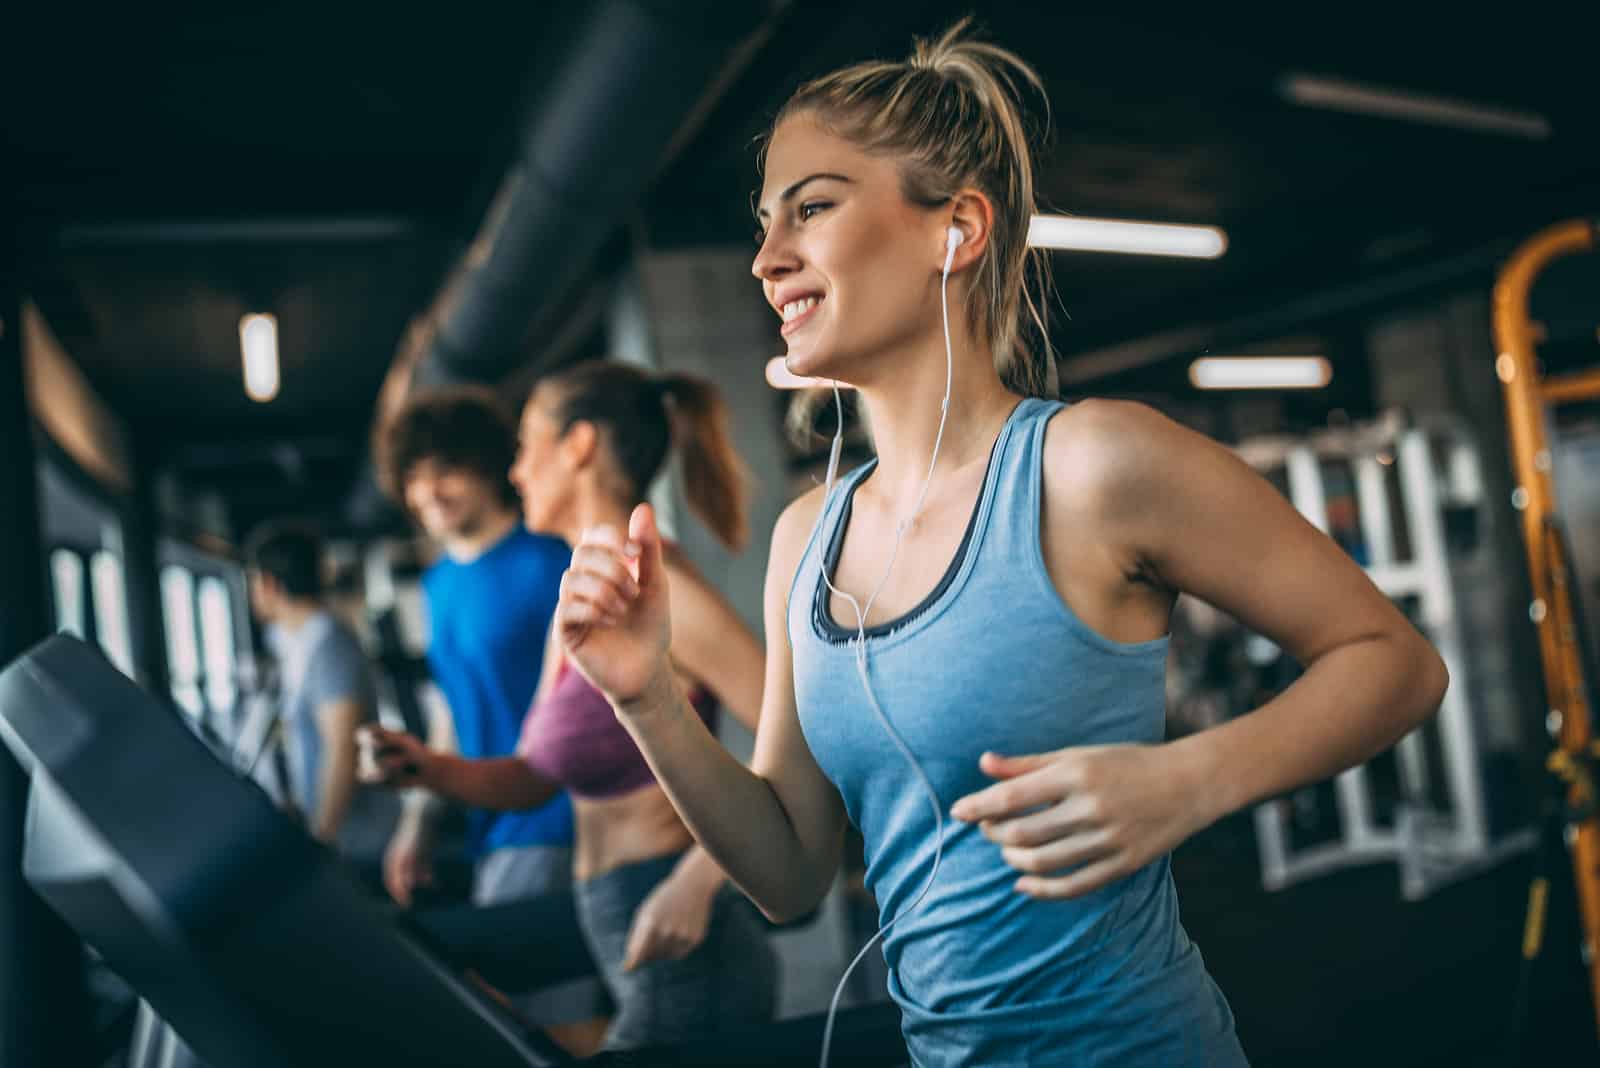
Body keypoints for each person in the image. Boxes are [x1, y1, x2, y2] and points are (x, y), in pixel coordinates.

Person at [550, 21, 1450, 1068]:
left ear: (955, 229)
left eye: (814, 207)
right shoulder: (809, 538)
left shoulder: (1092, 466)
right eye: (765, 222)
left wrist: (1192, 780)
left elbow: (1396, 662)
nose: (765, 258)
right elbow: (791, 874)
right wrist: (646, 698)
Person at [363, 361, 776, 1052]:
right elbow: (532, 776)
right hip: (610, 918)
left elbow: (806, 741)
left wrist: (699, 878)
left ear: (578, 446)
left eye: (526, 447)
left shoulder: (657, 584)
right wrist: (425, 769)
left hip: (680, 931)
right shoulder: (576, 596)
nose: (516, 471)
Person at [375, 386, 575, 909]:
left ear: (489, 468)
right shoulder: (436, 584)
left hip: (555, 822)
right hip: (481, 821)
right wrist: (417, 824)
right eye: (413, 478)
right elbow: (452, 711)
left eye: (445, 471)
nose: (428, 492)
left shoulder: (553, 561)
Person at [244, 521, 379, 850]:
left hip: (354, 841)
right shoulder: (294, 641)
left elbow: (341, 748)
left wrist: (323, 838)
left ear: (268, 584)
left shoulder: (329, 644)